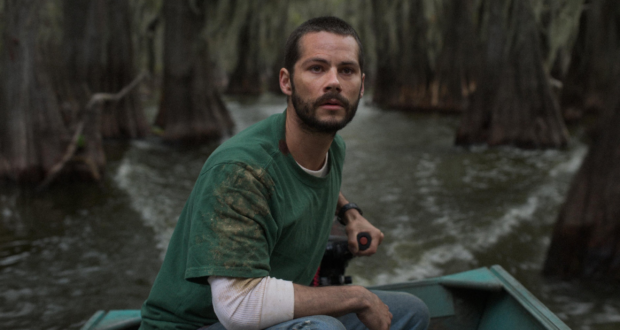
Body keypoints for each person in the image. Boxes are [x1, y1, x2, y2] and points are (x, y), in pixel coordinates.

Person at [139, 16, 430, 330]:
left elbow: (304, 177)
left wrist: (349, 212)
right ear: (286, 81)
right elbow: (239, 307)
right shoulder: (240, 171)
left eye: (346, 70)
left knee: (411, 312)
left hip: (266, 314)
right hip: (197, 325)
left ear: (361, 86)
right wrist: (356, 296)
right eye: (316, 68)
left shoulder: (332, 148)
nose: (333, 81)